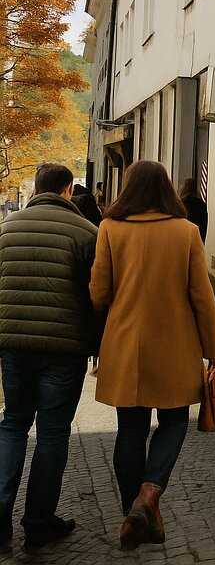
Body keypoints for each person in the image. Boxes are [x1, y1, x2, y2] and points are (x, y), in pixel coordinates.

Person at [89, 160, 215, 549]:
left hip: (125, 344)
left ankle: (133, 510)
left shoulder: (110, 228)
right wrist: (214, 350)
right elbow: (202, 296)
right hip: (176, 345)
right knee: (175, 421)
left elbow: (98, 293)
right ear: (166, 189)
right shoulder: (186, 231)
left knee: (130, 429)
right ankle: (148, 498)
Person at [0, 163, 97, 550]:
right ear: (68, 190)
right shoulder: (88, 233)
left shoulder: (6, 231)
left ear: (37, 188)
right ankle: (38, 521)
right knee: (53, 431)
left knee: (12, 425)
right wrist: (97, 342)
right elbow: (99, 295)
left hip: (13, 345)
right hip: (64, 346)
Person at [178, 177, 208, 243]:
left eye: (181, 186)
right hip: (199, 243)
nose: (179, 189)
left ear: (185, 188)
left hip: (185, 244)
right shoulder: (202, 205)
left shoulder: (183, 204)